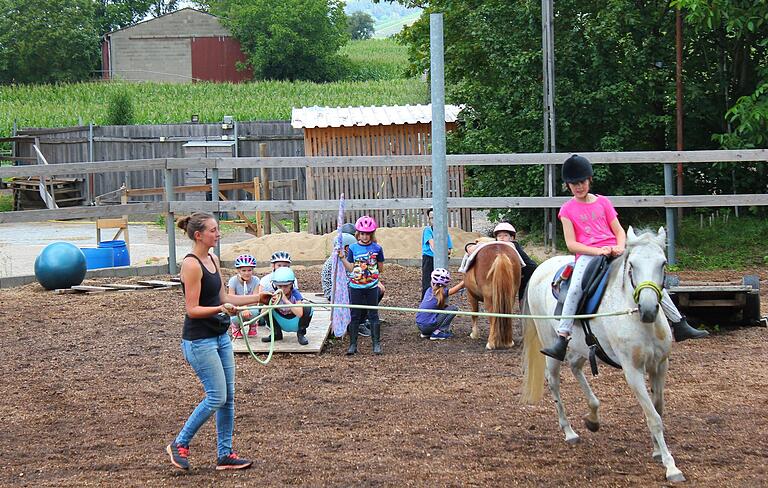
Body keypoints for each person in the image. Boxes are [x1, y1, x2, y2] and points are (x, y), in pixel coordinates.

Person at [540, 155, 709, 361]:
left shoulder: (603, 202)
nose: (579, 187)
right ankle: (563, 336)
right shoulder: (567, 209)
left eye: (582, 182)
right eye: (574, 184)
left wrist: (619, 247)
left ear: (589, 180)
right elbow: (571, 244)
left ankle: (679, 323)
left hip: (614, 250)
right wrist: (597, 251)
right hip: (587, 255)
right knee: (575, 288)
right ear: (567, 185)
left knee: (646, 281)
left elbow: (619, 231)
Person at [167, 212, 258, 471]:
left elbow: (222, 297)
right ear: (199, 235)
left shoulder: (212, 259)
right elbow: (192, 309)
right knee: (217, 396)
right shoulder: (191, 264)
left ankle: (225, 455)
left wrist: (258, 298)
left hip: (220, 336)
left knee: (228, 398)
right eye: (213, 231)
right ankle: (180, 443)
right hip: (199, 341)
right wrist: (223, 308)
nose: (218, 234)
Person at [321, 230, 383, 337]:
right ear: (346, 248)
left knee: (375, 289)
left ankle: (365, 317)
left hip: (344, 288)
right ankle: (358, 323)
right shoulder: (337, 261)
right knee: (363, 291)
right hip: (335, 293)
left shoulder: (341, 258)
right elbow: (344, 282)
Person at [340, 215, 385, 355]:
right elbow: (351, 268)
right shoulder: (353, 248)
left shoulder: (377, 248)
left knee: (373, 315)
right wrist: (342, 258)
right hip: (355, 287)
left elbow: (381, 268)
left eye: (368, 234)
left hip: (371, 287)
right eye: (362, 233)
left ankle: (376, 344)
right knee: (355, 315)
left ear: (372, 234)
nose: (365, 236)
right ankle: (353, 345)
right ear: (358, 234)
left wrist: (372, 271)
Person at [260, 266, 312, 346]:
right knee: (266, 309)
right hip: (280, 319)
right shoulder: (273, 293)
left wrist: (286, 300)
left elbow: (300, 314)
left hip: (294, 319)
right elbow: (262, 313)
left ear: (291, 284)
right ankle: (276, 333)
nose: (282, 289)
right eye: (279, 286)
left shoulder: (295, 293)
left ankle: (301, 334)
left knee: (307, 308)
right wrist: (270, 303)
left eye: (285, 286)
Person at [492, 222, 538, 300]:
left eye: (505, 235)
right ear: (496, 238)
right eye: (499, 236)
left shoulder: (513, 246)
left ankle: (522, 298)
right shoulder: (494, 246)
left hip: (522, 271)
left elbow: (530, 265)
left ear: (512, 238)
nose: (502, 238)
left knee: (524, 283)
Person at [416, 268, 464, 340]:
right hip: (427, 326)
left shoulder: (428, 291)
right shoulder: (441, 293)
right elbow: (457, 288)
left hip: (419, 325)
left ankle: (427, 333)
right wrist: (465, 281)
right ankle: (439, 332)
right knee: (453, 309)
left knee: (444, 308)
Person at [421, 208, 454, 298]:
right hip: (429, 258)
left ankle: (440, 300)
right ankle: (426, 301)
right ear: (429, 219)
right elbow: (433, 245)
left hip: (442, 259)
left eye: (435, 217)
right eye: (431, 218)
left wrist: (443, 250)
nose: (433, 220)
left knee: (441, 281)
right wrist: (443, 249)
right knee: (428, 281)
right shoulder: (428, 230)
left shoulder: (445, 232)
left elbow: (449, 250)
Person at [227, 254, 259, 338]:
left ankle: (253, 325)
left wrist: (247, 308)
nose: (247, 273)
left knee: (256, 312)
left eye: (249, 270)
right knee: (234, 315)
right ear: (238, 271)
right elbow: (231, 299)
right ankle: (236, 326)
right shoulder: (233, 281)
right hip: (237, 307)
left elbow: (256, 299)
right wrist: (243, 308)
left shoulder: (256, 280)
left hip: (251, 307)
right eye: (243, 270)